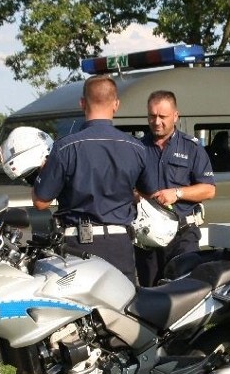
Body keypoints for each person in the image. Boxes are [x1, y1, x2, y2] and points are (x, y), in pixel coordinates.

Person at [32, 74, 155, 284]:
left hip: (77, 245)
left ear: (82, 103)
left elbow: (40, 202)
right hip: (119, 243)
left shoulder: (65, 147)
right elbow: (150, 192)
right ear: (116, 104)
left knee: (79, 311)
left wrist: (41, 173)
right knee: (121, 309)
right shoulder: (136, 147)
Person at [135, 90, 215, 286]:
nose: (157, 121)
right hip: (148, 238)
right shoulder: (137, 148)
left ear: (175, 116)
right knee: (151, 294)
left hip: (182, 235)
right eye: (152, 116)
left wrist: (177, 193)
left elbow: (209, 190)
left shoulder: (192, 148)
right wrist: (137, 196)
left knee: (183, 292)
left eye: (163, 116)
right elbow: (126, 186)